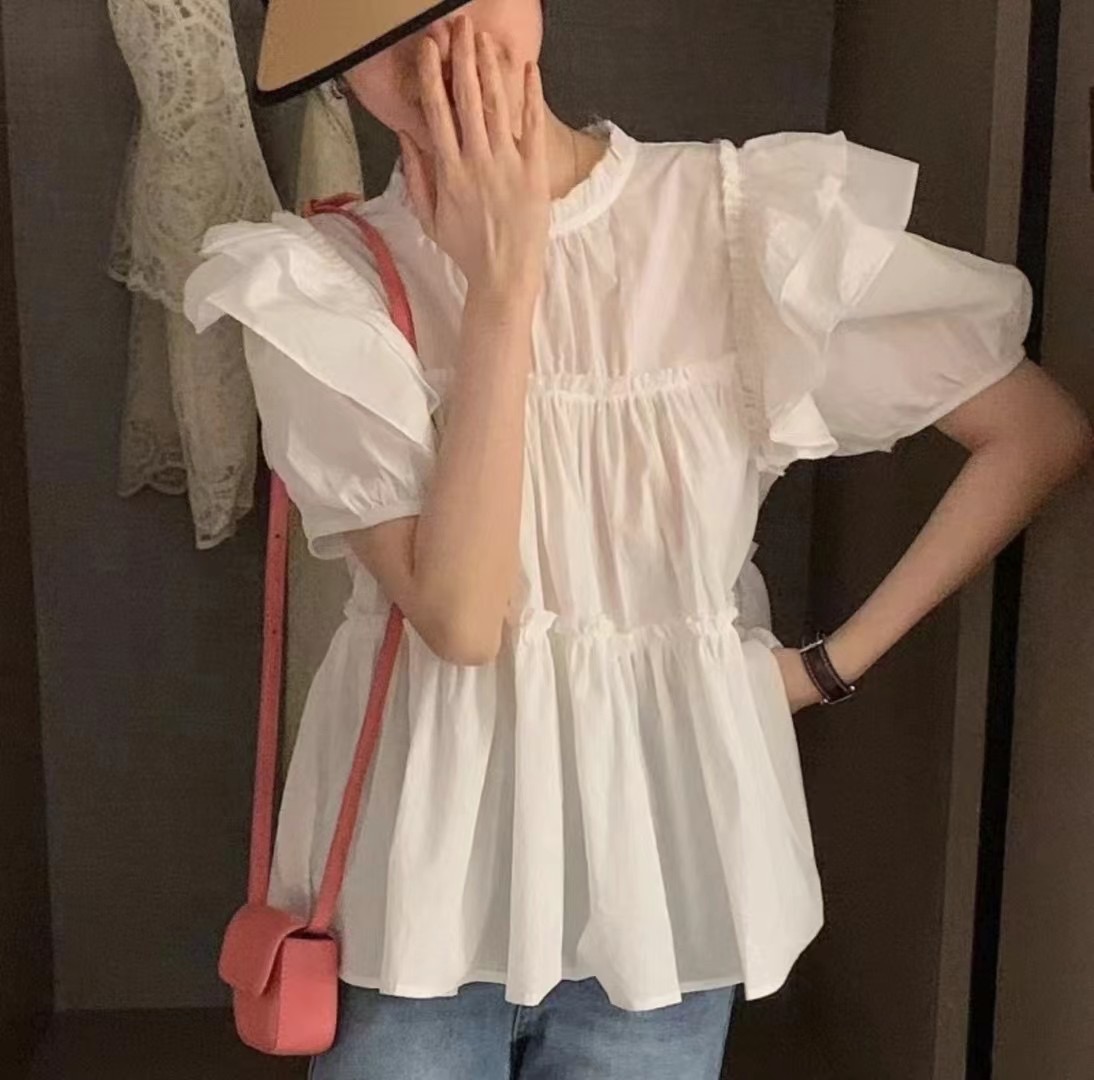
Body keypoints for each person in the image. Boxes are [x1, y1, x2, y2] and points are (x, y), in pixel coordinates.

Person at [182, 1, 1093, 1076]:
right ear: (334, 65)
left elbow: (1033, 434)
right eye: (374, 24)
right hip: (419, 894)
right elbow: (463, 623)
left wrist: (821, 670)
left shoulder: (732, 223)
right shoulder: (317, 282)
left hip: (661, 891)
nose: (434, 50)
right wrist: (504, 289)